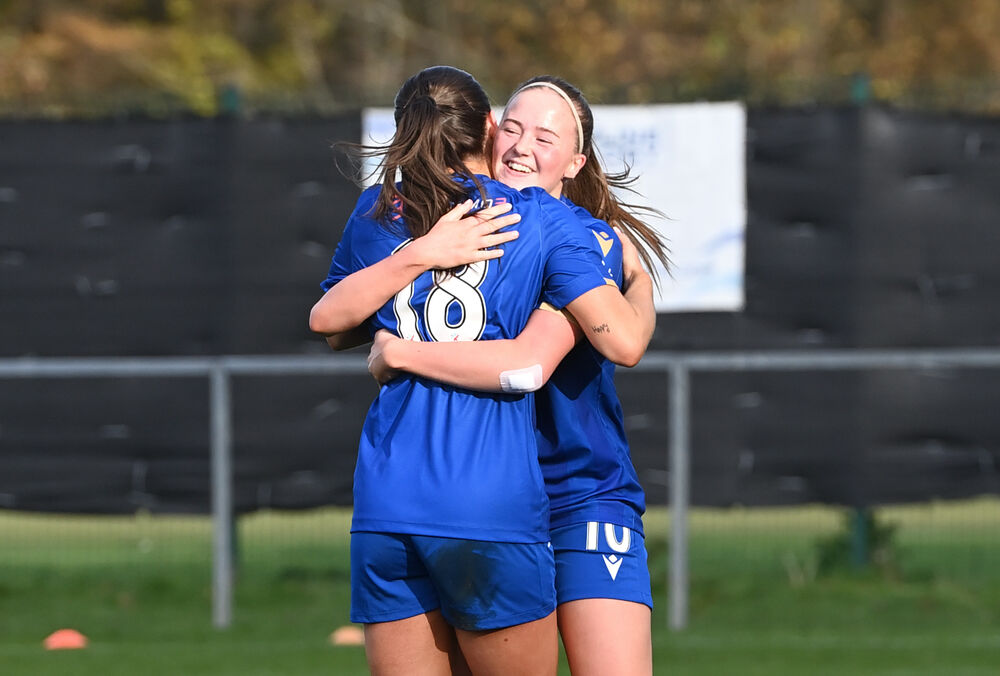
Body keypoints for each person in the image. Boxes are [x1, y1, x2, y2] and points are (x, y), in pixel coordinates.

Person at [309, 66, 655, 676]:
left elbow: (546, 359)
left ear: (576, 163)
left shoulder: (575, 234)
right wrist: (418, 257)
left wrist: (640, 280)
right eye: (514, 128)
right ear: (489, 128)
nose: (523, 145)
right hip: (485, 492)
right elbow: (336, 322)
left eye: (546, 138)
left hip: (577, 491)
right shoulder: (424, 223)